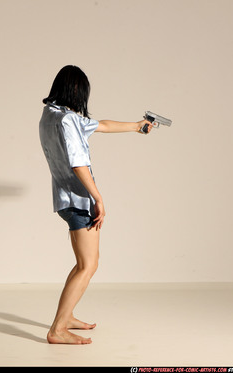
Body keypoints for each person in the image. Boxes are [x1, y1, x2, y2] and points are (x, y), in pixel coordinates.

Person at [39, 65, 154, 344]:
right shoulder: (67, 120)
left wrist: (137, 126)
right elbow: (79, 163)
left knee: (84, 263)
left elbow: (101, 125)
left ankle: (66, 318)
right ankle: (57, 329)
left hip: (65, 198)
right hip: (79, 200)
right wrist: (98, 197)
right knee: (88, 266)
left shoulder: (50, 115)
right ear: (76, 90)